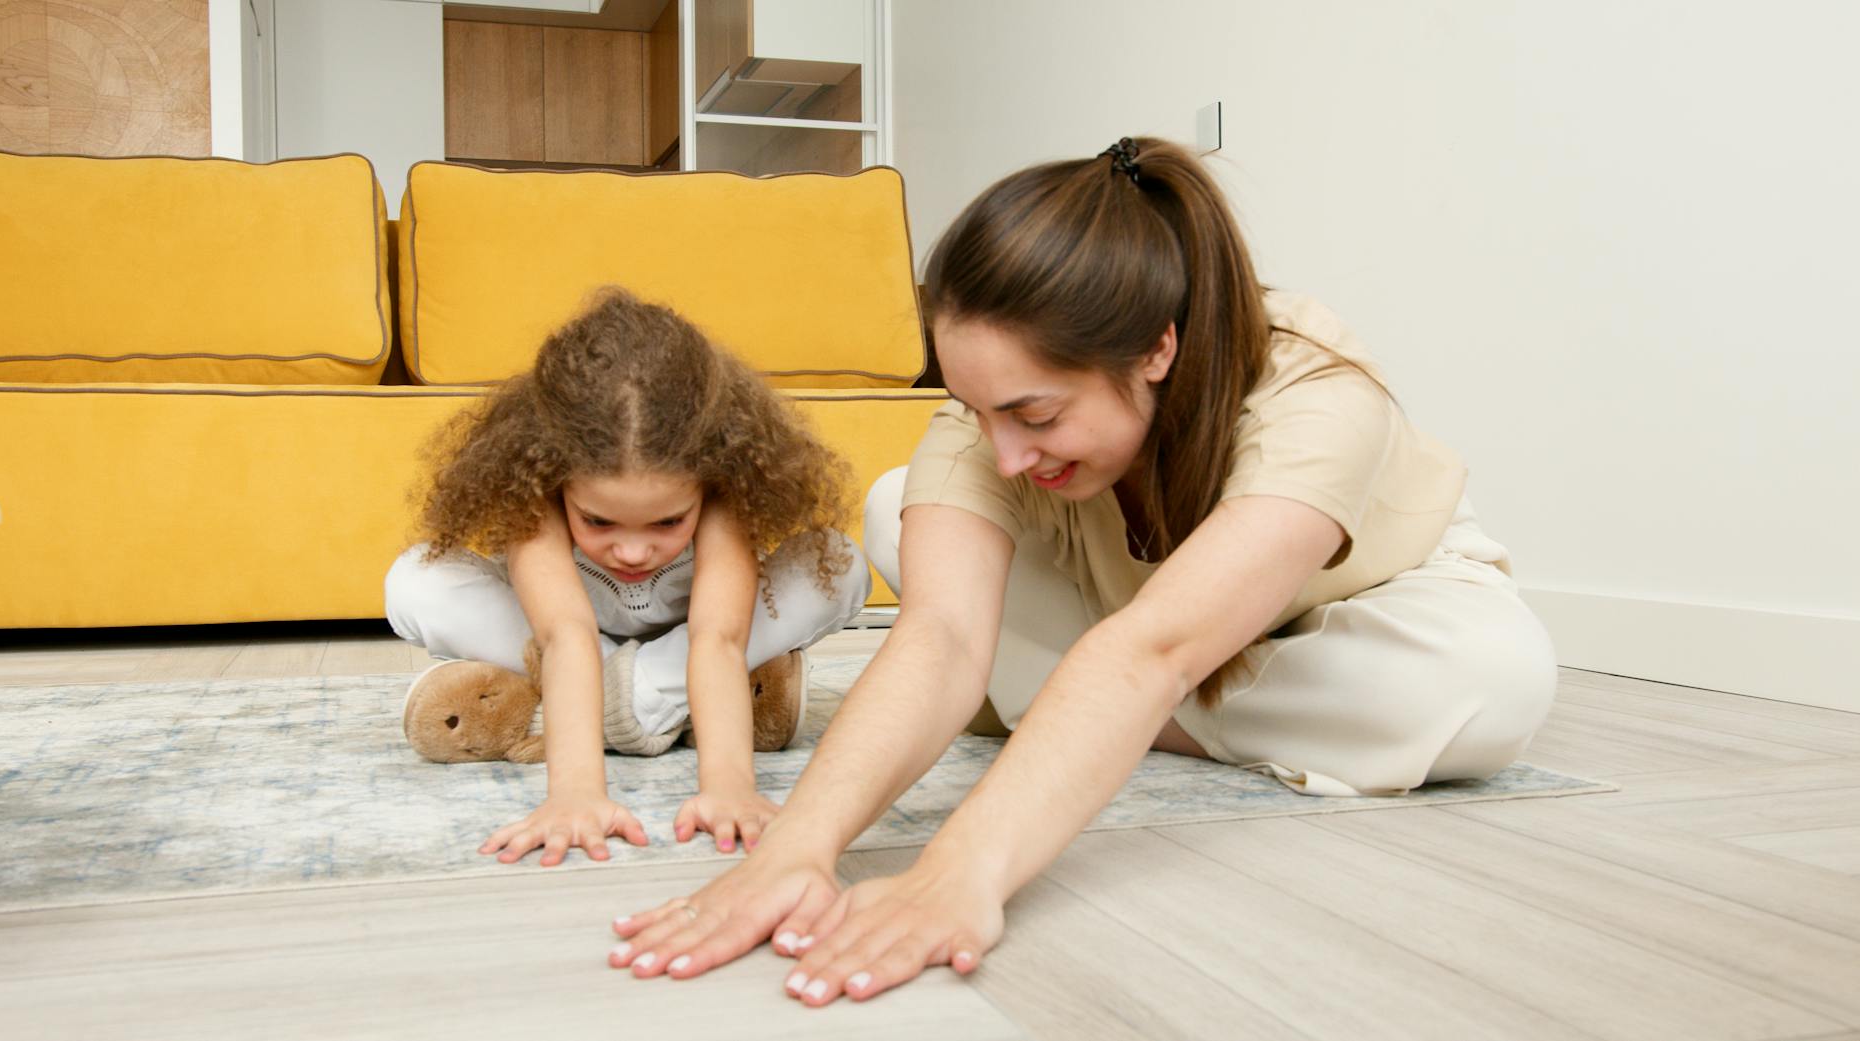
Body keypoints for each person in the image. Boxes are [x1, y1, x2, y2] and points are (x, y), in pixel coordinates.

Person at [603, 137, 1557, 1004]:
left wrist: (964, 867)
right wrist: (798, 846)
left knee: (1494, 683)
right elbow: (938, 633)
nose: (1005, 451)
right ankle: (1097, 709)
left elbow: (1153, 647)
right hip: (1138, 627)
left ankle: (1079, 704)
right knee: (906, 505)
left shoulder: (1315, 390)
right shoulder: (995, 415)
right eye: (977, 411)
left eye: (1037, 415)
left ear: (1156, 348)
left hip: (1335, 617)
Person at [385, 287, 872, 865]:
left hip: (690, 641)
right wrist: (575, 794)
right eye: (598, 520)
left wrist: (729, 787)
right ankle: (664, 704)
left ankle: (590, 701)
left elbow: (718, 640)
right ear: (556, 475)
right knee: (413, 580)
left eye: (669, 521)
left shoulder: (723, 497)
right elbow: (563, 635)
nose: (634, 551)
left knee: (837, 564)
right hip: (571, 640)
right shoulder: (534, 497)